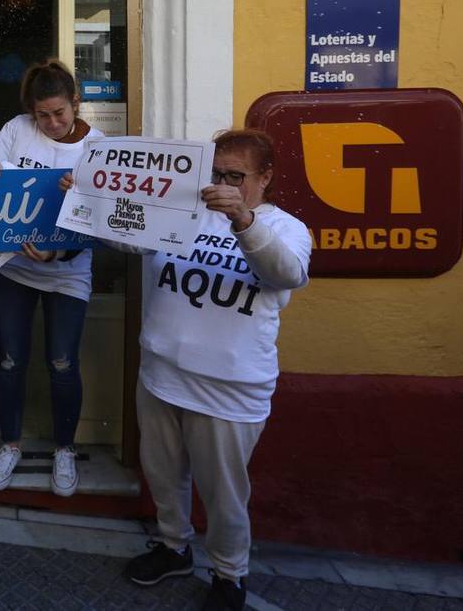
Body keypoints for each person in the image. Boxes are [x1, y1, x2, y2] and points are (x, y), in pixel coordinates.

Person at [81, 128, 310, 611]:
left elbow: (287, 274)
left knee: (225, 495)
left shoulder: (285, 228)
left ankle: (229, 574)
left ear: (265, 177)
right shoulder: (184, 211)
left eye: (236, 176)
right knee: (163, 477)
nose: (223, 184)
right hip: (162, 375)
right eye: (216, 173)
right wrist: (88, 199)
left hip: (229, 391)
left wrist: (244, 220)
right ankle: (173, 547)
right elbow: (128, 242)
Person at [0, 60, 103, 497]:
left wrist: (60, 249)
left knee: (62, 363)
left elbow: (102, 222)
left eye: (59, 113)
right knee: (11, 360)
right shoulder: (16, 130)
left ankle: (64, 449)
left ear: (76, 102)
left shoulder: (100, 148)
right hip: (14, 268)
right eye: (41, 115)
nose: (50, 123)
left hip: (68, 273)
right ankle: (9, 445)